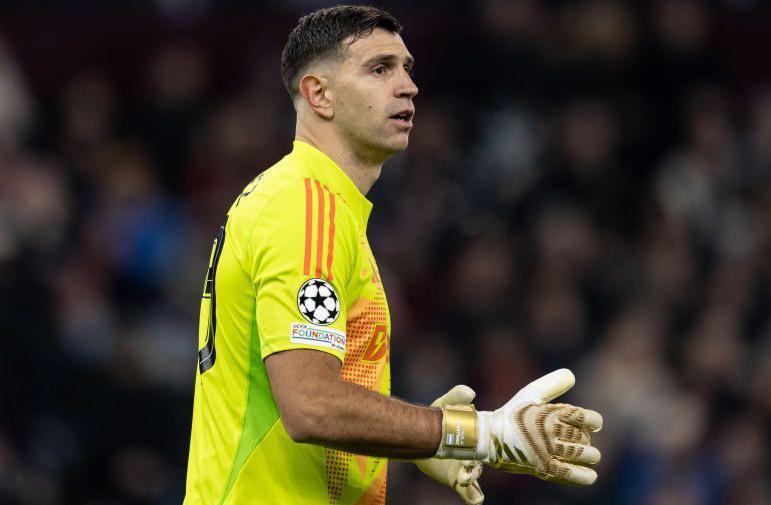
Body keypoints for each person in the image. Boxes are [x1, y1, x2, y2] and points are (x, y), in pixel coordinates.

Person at [183, 6, 602, 504]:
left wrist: (416, 443)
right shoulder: (306, 206)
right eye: (380, 69)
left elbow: (305, 401)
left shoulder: (304, 202)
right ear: (319, 94)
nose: (407, 86)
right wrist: (478, 434)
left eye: (407, 68)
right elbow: (311, 405)